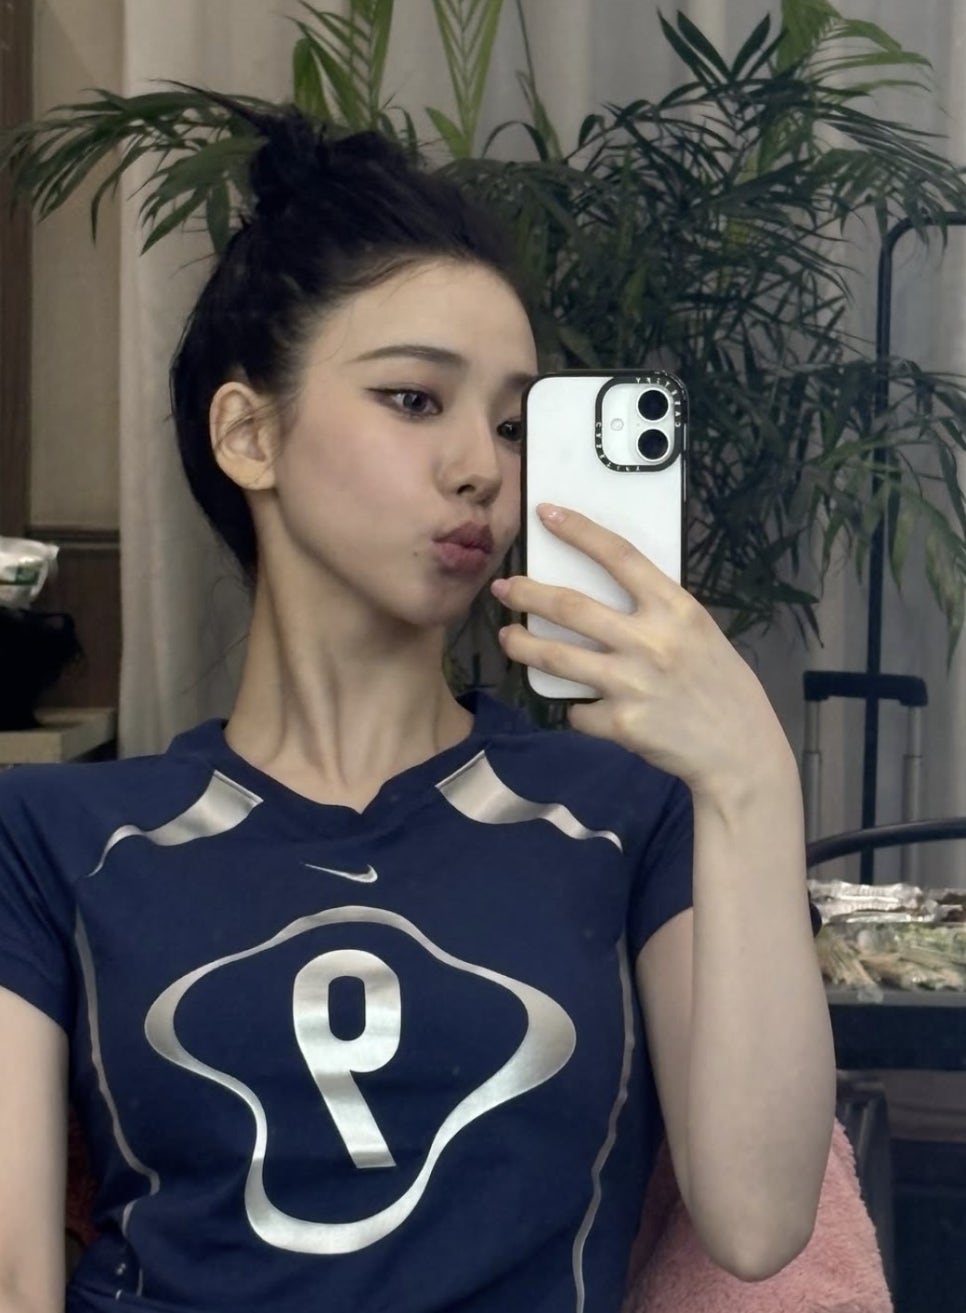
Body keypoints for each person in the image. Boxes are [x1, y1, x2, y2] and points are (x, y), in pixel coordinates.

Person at [0, 107, 836, 1313]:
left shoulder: (628, 812)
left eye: (511, 422)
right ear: (248, 432)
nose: (482, 467)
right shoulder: (50, 834)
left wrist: (750, 775)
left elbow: (759, 1220)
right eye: (413, 398)